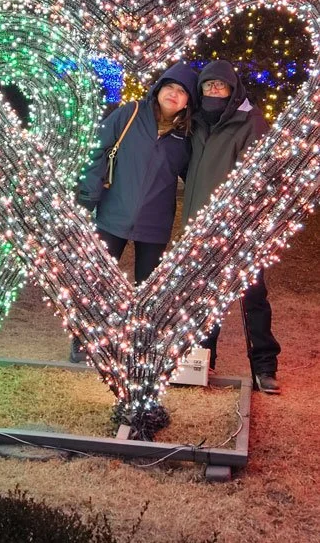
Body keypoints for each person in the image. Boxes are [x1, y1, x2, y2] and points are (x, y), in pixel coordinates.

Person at [73, 62, 198, 362]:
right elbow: (97, 150)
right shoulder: (129, 114)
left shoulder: (187, 136)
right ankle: (85, 339)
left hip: (155, 223)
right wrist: (88, 196)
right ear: (158, 89)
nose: (174, 94)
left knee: (149, 290)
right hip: (113, 214)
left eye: (182, 92)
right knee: (98, 282)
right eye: (170, 87)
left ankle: (140, 345)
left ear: (188, 101)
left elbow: (194, 174)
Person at [182, 60, 281, 394]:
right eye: (207, 86)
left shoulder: (250, 122)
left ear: (232, 88)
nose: (213, 91)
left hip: (241, 230)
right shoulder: (194, 122)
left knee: (252, 298)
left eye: (219, 86)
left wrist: (243, 221)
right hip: (200, 227)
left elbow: (261, 176)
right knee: (204, 299)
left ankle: (264, 367)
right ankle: (201, 361)